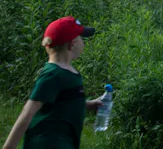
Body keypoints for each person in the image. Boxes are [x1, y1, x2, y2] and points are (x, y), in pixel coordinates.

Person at [2, 17, 105, 149]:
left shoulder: (68, 72)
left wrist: (88, 104)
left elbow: (62, 100)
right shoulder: (52, 75)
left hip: (65, 142)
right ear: (72, 44)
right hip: (47, 143)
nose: (83, 42)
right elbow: (28, 112)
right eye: (81, 38)